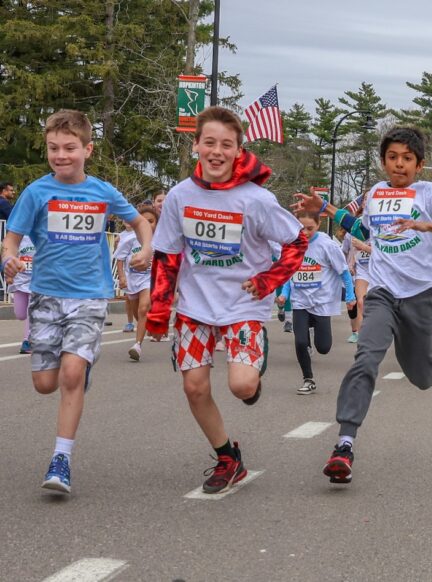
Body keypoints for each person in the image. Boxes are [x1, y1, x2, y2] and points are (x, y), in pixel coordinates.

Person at [292, 126, 432, 485]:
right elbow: (359, 227)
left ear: (419, 164)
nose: (399, 164)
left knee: (422, 378)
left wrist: (429, 226)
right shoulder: (375, 193)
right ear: (384, 161)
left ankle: (431, 340)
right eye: (392, 157)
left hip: (419, 296)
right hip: (382, 293)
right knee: (366, 358)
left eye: (407, 158)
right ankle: (344, 444)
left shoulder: (430, 192)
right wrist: (325, 208)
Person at [147, 106, 307, 494]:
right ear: (196, 145)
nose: (217, 152)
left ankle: (252, 378)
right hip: (194, 306)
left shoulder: (256, 199)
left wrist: (268, 279)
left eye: (227, 145)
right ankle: (227, 457)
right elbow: (167, 256)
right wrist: (158, 311)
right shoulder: (180, 196)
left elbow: (297, 240)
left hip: (242, 306)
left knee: (241, 386)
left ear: (239, 150)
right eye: (210, 143)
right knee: (195, 388)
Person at [1, 109, 153, 494]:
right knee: (44, 383)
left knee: (69, 375)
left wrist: (147, 248)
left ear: (88, 149)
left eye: (70, 148)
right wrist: (8, 259)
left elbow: (140, 222)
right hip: (46, 295)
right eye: (53, 148)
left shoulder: (102, 192)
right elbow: (12, 239)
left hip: (90, 295)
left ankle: (61, 459)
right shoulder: (37, 192)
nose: (61, 155)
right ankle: (78, 366)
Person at [277, 211, 354, 395]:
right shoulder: (292, 245)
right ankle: (308, 379)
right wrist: (284, 294)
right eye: (301, 228)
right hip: (300, 301)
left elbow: (343, 272)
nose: (305, 232)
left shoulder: (326, 245)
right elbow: (289, 273)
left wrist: (350, 296)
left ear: (318, 225)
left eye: (310, 228)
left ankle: (312, 327)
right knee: (301, 342)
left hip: (321, 302)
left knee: (324, 347)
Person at [113, 202, 159, 361]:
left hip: (149, 280)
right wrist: (122, 277)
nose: (148, 225)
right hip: (133, 281)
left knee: (143, 308)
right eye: (144, 221)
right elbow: (119, 258)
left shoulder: (160, 241)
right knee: (136, 312)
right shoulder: (130, 239)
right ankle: (146, 326)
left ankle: (137, 345)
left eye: (151, 221)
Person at [341, 231, 373, 343]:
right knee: (359, 303)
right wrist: (350, 265)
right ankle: (359, 334)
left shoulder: (380, 228)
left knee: (375, 304)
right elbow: (350, 252)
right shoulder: (351, 233)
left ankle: (374, 330)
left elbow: (384, 253)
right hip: (361, 272)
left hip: (378, 272)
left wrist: (364, 247)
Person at [7, 234, 35, 353]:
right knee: (20, 314)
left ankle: (27, 341)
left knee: (30, 310)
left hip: (36, 281)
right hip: (20, 279)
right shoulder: (18, 238)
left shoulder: (40, 236)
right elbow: (8, 257)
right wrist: (8, 276)